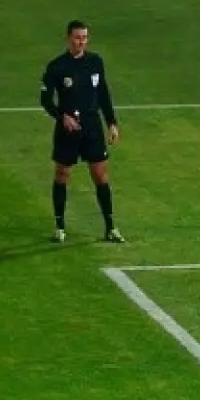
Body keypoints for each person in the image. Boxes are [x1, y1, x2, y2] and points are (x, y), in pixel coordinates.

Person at [39, 19, 124, 244]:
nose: (81, 42)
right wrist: (61, 116)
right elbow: (45, 100)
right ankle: (59, 226)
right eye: (77, 38)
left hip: (92, 127)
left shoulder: (95, 62)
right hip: (68, 130)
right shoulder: (57, 67)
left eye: (85, 38)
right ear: (68, 38)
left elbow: (103, 93)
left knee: (100, 175)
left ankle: (110, 227)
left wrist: (112, 123)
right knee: (62, 174)